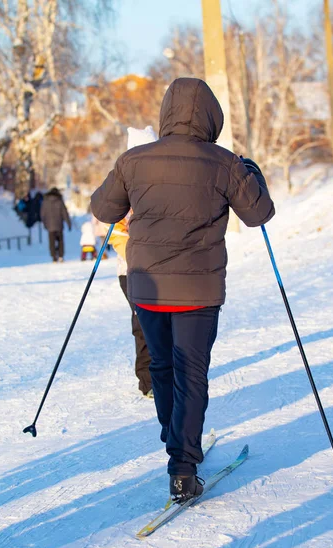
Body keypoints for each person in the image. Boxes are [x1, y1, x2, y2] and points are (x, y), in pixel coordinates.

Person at [91, 77, 275, 502]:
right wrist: (253, 174)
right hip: (198, 291)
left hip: (147, 289)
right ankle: (183, 465)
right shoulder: (225, 162)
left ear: (166, 112)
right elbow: (259, 214)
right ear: (212, 116)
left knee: (161, 367)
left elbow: (102, 209)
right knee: (191, 374)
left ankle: (174, 440)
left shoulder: (133, 160)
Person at [97, 126, 158, 399]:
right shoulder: (123, 187)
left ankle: (168, 373)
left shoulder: (163, 186)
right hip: (132, 269)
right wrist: (137, 250)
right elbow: (114, 233)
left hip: (164, 266)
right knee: (143, 322)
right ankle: (148, 381)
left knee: (166, 322)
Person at [40, 187, 71, 262]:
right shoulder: (59, 201)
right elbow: (64, 213)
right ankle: (60, 256)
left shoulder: (45, 201)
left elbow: (42, 214)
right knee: (60, 241)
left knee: (52, 241)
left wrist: (44, 223)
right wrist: (68, 223)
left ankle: (54, 256)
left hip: (50, 226)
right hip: (59, 224)